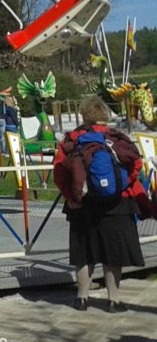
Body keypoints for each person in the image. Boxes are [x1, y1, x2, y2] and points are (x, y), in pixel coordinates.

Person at [52, 95, 145, 312]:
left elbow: (59, 172)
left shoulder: (71, 139)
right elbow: (136, 163)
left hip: (82, 204)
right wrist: (121, 184)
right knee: (113, 253)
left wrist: (71, 196)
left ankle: (82, 298)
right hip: (117, 204)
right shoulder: (118, 137)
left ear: (84, 114)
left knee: (83, 252)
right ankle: (114, 300)